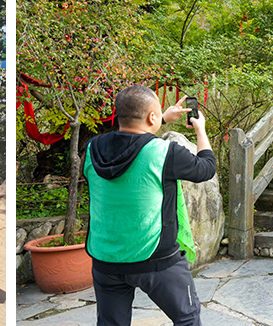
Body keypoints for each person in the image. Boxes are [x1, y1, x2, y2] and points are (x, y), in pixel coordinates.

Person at [85, 85, 215, 325]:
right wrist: (200, 130)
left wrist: (162, 118)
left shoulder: (92, 149)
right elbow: (206, 168)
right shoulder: (166, 152)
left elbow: (129, 142)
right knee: (187, 318)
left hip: (105, 260)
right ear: (150, 117)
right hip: (156, 259)